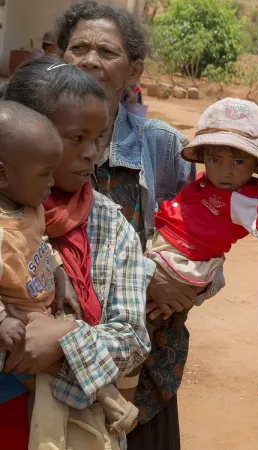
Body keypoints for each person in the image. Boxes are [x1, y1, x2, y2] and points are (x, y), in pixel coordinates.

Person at [55, 3, 201, 448]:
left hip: (147, 364)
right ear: (60, 56)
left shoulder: (165, 148)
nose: (90, 60)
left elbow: (202, 253)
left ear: (134, 69)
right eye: (78, 47)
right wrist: (146, 276)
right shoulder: (24, 138)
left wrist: (180, 282)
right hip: (45, 360)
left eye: (107, 51)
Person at [0, 56, 149, 450]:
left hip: (77, 430)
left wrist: (64, 338)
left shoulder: (110, 224)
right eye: (77, 138)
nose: (93, 153)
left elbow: (133, 340)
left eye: (99, 138)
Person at [119, 98, 258, 390]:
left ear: (257, 164)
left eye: (237, 161)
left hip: (183, 260)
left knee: (136, 314)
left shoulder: (244, 198)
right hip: (164, 246)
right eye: (214, 160)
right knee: (138, 312)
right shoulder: (207, 182)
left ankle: (125, 389)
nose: (225, 171)